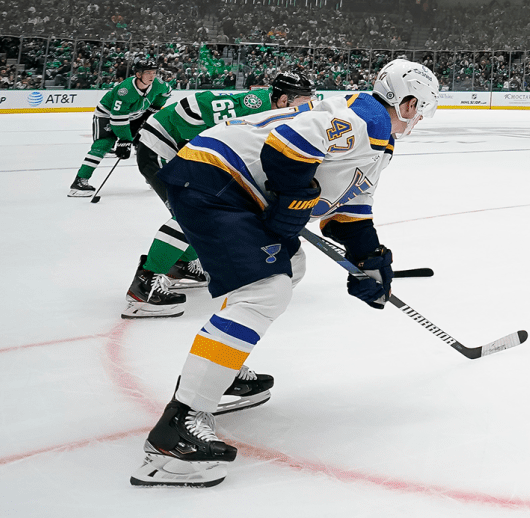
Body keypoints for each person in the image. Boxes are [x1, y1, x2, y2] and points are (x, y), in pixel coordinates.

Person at [130, 59, 441, 487]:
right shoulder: (361, 119)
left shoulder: (375, 138)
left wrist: (370, 257)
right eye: (420, 109)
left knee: (289, 266)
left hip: (227, 185)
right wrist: (295, 197)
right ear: (406, 104)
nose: (420, 119)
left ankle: (220, 370)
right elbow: (286, 144)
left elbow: (348, 208)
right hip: (213, 179)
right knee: (265, 289)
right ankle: (177, 428)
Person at [121, 72, 317, 318]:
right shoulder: (256, 109)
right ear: (285, 99)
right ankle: (144, 285)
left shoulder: (273, 111)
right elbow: (192, 108)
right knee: (194, 213)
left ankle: (179, 265)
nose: (309, 105)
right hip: (162, 147)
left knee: (209, 212)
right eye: (304, 99)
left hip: (186, 150)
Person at [70, 59, 173, 196]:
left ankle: (154, 178)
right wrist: (125, 140)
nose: (152, 76)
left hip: (135, 115)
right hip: (107, 114)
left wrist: (152, 110)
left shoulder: (158, 84)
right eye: (148, 72)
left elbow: (167, 93)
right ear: (138, 74)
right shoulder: (125, 90)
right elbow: (118, 117)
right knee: (103, 144)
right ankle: (79, 182)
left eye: (154, 72)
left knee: (149, 143)